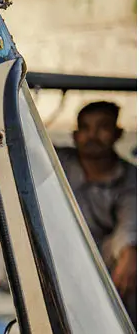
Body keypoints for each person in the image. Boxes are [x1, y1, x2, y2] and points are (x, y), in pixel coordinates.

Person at [56, 100, 137, 321]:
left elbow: (129, 222)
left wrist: (130, 252)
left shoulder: (130, 178)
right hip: (57, 256)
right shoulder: (55, 162)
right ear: (75, 135)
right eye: (85, 128)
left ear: (117, 133)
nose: (92, 135)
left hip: (104, 265)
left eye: (102, 127)